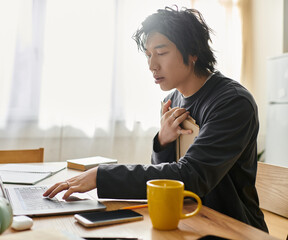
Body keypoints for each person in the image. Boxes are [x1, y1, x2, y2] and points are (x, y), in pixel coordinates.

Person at [43, 6, 268, 232]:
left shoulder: (232, 102)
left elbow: (191, 177)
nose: (152, 66)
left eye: (161, 53)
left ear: (193, 52)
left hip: (231, 226)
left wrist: (102, 175)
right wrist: (162, 142)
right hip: (186, 217)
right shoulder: (173, 99)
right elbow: (165, 179)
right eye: (149, 55)